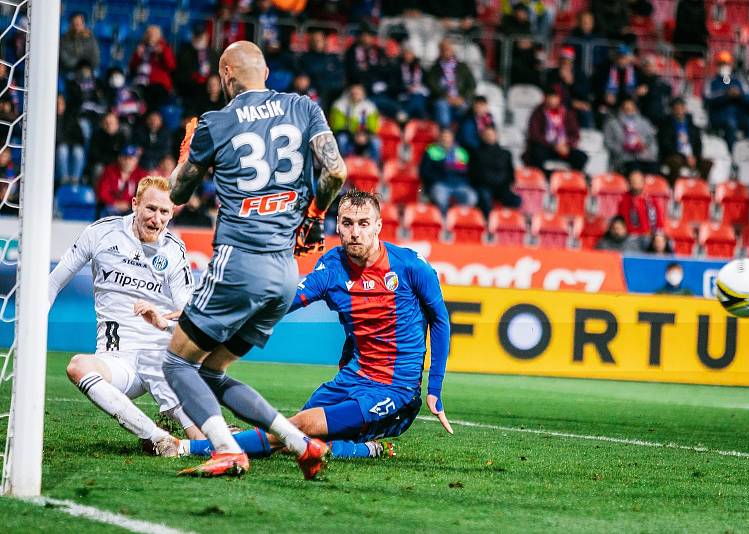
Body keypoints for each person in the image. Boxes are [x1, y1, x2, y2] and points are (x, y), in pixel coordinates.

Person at [161, 40, 347, 478]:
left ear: (227, 75)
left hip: (238, 263)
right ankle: (301, 443)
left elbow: (175, 194)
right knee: (210, 371)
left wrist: (189, 154)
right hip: (284, 273)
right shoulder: (303, 107)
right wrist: (316, 215)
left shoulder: (216, 122)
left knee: (176, 362)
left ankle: (225, 450)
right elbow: (335, 171)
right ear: (265, 72)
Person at [179, 190, 452, 460]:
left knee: (294, 429)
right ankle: (362, 449)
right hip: (351, 379)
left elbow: (440, 319)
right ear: (339, 226)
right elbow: (285, 301)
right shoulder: (333, 267)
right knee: (295, 440)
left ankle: (186, 448)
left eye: (363, 223)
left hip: (394, 389)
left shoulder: (410, 266)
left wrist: (434, 388)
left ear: (378, 226)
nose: (355, 232)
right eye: (347, 223)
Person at [48, 177, 201, 457]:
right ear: (135, 204)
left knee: (205, 441)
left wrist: (163, 321)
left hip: (160, 359)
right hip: (117, 362)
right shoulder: (101, 234)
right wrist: (33, 324)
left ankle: (210, 435)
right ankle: (157, 436)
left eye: (164, 212)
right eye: (151, 209)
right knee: (78, 366)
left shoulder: (174, 251)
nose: (157, 219)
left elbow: (190, 317)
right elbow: (54, 282)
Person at [523, 85, 587, 172]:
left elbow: (575, 134)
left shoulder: (567, 113)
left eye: (555, 97)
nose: (553, 100)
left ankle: (570, 180)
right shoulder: (538, 112)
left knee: (581, 157)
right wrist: (554, 145)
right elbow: (535, 135)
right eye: (550, 96)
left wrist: (566, 145)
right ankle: (545, 178)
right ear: (545, 97)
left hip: (564, 147)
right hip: (546, 147)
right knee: (537, 153)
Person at [704, 50, 749, 150]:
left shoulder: (738, 80)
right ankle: (732, 152)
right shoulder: (712, 82)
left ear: (732, 65)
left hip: (738, 115)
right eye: (722, 64)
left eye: (727, 63)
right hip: (719, 116)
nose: (724, 66)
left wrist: (739, 95)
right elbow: (707, 99)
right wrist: (726, 94)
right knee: (731, 123)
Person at [419, 128, 477, 215]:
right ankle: (444, 222)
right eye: (443, 136)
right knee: (440, 198)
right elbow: (424, 171)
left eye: (448, 137)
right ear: (439, 138)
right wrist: (438, 177)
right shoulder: (431, 151)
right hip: (440, 183)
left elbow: (468, 172)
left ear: (452, 138)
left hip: (460, 184)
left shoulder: (461, 152)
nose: (445, 139)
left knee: (471, 198)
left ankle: (458, 220)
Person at [658, 97, 713, 184]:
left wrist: (695, 156)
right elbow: (666, 145)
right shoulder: (666, 126)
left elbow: (698, 144)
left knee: (708, 163)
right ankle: (675, 186)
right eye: (677, 108)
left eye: (682, 108)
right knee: (675, 162)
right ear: (673, 110)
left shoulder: (693, 127)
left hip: (691, 156)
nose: (680, 111)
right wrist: (685, 157)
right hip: (675, 155)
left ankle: (701, 186)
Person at [470, 126, 521, 217]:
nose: (489, 137)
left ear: (496, 136)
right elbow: (474, 173)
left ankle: (508, 221)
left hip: (502, 186)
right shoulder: (476, 153)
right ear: (482, 136)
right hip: (484, 186)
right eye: (487, 135)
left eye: (492, 134)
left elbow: (510, 173)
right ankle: (488, 222)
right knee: (485, 197)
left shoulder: (506, 153)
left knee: (516, 199)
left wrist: (507, 184)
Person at [426, 38, 477, 128]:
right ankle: (446, 134)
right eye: (444, 49)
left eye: (448, 49)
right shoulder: (434, 68)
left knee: (469, 111)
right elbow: (431, 85)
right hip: (443, 99)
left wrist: (463, 97)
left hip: (460, 98)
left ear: (453, 50)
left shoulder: (462, 67)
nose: (446, 52)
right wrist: (446, 97)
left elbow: (472, 84)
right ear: (440, 51)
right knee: (442, 107)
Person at [603, 96, 659, 175]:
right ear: (621, 109)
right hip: (624, 157)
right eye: (626, 109)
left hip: (643, 156)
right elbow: (608, 142)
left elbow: (651, 140)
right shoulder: (612, 123)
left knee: (653, 167)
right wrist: (622, 149)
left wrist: (643, 145)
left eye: (632, 109)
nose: (629, 111)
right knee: (634, 167)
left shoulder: (644, 122)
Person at [129, 25, 177, 112]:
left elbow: (171, 66)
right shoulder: (141, 47)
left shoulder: (164, 47)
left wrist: (162, 53)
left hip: (158, 84)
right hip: (141, 82)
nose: (151, 36)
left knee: (154, 94)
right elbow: (132, 67)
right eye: (149, 34)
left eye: (154, 34)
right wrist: (137, 55)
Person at [329, 84, 381, 162]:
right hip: (348, 135)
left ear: (363, 94)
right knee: (342, 139)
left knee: (376, 142)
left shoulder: (370, 107)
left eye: (358, 93)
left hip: (365, 136)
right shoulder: (339, 106)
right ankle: (344, 164)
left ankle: (374, 167)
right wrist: (354, 135)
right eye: (353, 93)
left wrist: (364, 135)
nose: (355, 96)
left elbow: (373, 126)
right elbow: (337, 126)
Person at [97, 145, 148, 216]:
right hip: (112, 207)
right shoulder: (109, 171)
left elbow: (145, 194)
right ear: (119, 158)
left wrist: (129, 204)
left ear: (136, 160)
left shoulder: (141, 174)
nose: (127, 161)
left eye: (131, 158)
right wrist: (115, 203)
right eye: (125, 158)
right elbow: (102, 193)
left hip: (131, 207)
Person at [617, 170, 664, 235]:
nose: (636, 185)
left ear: (643, 182)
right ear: (629, 183)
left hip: (651, 236)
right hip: (632, 236)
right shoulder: (624, 200)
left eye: (638, 182)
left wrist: (653, 233)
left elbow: (659, 222)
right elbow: (623, 222)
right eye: (633, 182)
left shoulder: (653, 201)